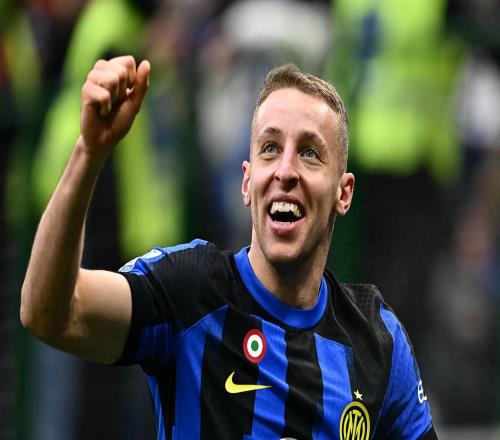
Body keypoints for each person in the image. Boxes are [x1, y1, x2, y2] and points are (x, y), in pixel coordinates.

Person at [20, 55, 437, 439]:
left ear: (343, 194)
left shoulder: (377, 341)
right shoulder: (192, 292)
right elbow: (49, 313)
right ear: (246, 181)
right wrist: (89, 151)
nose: (285, 171)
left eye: (309, 153)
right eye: (270, 149)